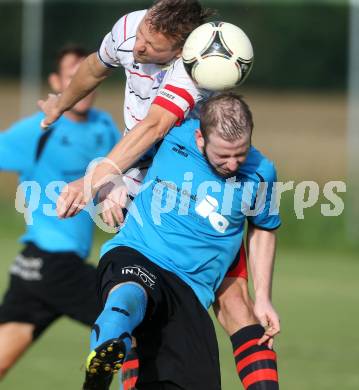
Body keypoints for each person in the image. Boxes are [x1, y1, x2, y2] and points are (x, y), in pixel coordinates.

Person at [39, 1, 280, 387]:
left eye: (151, 47)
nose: (138, 48)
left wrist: (98, 178)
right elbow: (92, 68)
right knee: (148, 297)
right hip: (143, 172)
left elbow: (153, 127)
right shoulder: (130, 28)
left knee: (235, 303)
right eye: (141, 37)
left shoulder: (192, 77)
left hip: (185, 177)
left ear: (182, 51)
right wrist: (59, 105)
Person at [81, 94, 280, 390]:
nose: (233, 163)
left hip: (190, 290)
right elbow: (127, 149)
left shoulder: (262, 173)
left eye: (241, 153)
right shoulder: (173, 135)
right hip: (138, 252)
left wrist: (263, 297)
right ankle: (106, 352)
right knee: (130, 292)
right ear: (200, 137)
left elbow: (263, 229)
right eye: (223, 155)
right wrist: (111, 179)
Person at [0, 46, 121, 379]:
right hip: (53, 263)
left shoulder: (104, 127)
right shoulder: (38, 129)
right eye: (72, 77)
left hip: (33, 268)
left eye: (89, 79)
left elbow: (123, 171)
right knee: (131, 324)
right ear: (57, 82)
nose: (83, 87)